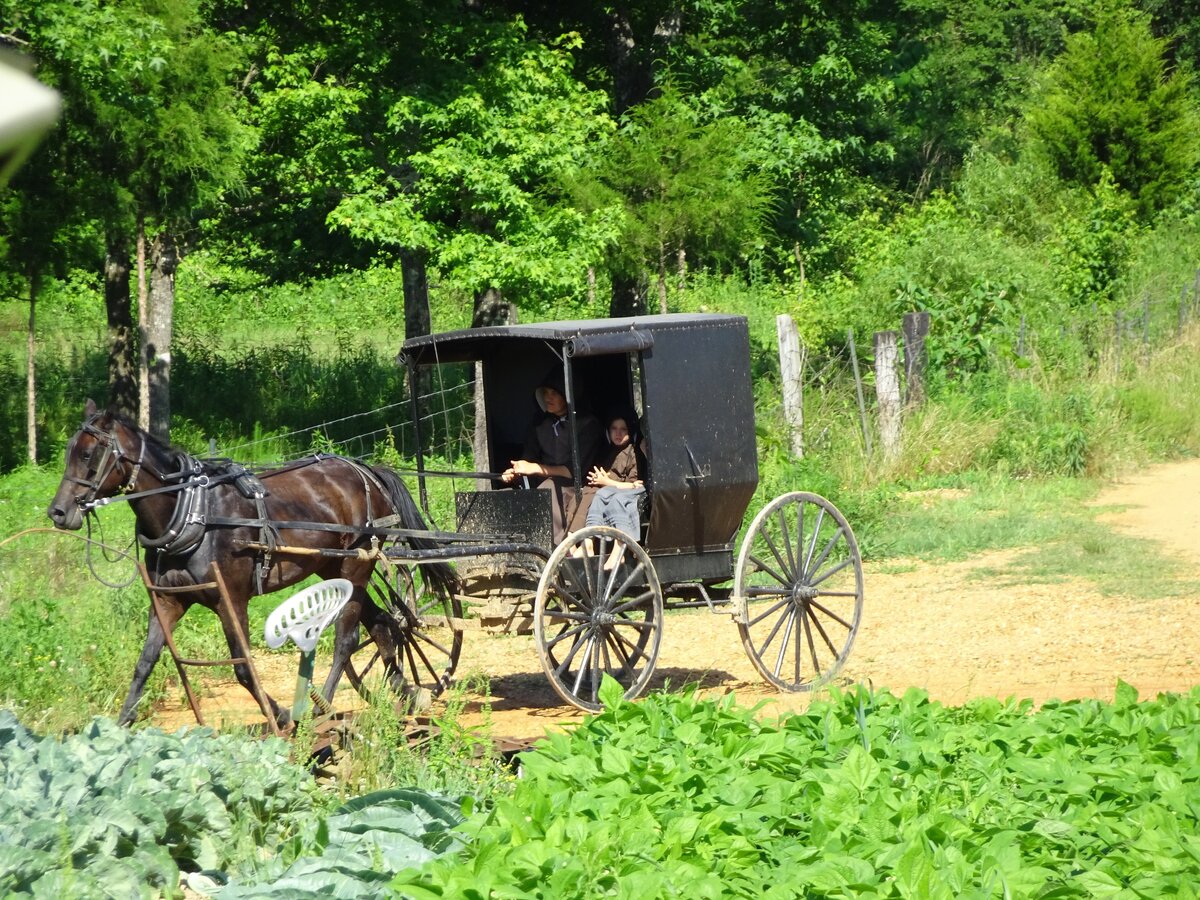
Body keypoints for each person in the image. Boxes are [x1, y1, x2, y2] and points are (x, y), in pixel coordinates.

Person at [500, 373, 602, 544]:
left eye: (554, 393)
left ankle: (560, 546)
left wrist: (537, 469)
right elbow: (528, 458)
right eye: (546, 393)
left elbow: (573, 471)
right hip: (544, 481)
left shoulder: (588, 425)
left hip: (578, 485)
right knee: (508, 496)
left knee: (548, 487)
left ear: (566, 396)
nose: (548, 397)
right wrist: (515, 471)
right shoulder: (540, 423)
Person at [568, 409, 648, 567]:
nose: (618, 433)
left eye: (623, 429)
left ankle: (614, 548)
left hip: (623, 492)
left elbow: (635, 484)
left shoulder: (634, 452)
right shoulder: (606, 451)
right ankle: (579, 541)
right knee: (584, 493)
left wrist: (606, 481)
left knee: (604, 495)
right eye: (614, 429)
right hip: (604, 489)